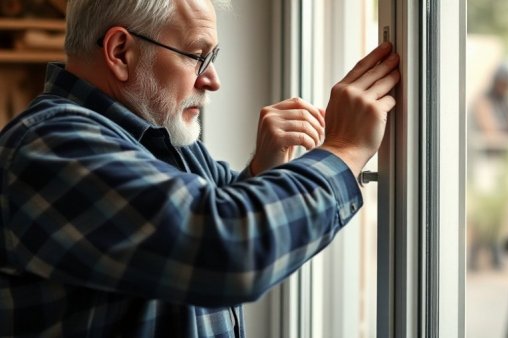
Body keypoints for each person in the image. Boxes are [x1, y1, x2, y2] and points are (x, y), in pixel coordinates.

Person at [0, 0, 400, 337]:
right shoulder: (50, 148)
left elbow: (208, 219)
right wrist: (344, 151)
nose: (212, 80)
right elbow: (224, 247)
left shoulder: (160, 140)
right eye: (198, 55)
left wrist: (263, 169)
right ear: (121, 52)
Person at [468, 59, 508, 271]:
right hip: (485, 163)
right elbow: (490, 130)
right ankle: (475, 255)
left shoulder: (507, 102)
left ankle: (495, 253)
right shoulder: (483, 101)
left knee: (500, 213)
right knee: (484, 212)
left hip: (502, 164)